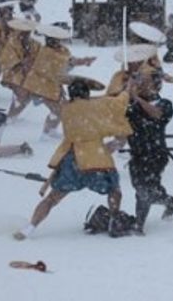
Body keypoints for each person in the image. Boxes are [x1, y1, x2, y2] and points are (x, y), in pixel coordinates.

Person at [13, 76, 132, 240]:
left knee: (52, 198)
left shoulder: (66, 108)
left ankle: (30, 227)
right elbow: (119, 103)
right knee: (114, 190)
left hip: (72, 159)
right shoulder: (98, 106)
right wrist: (127, 89)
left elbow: (81, 103)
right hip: (96, 159)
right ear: (87, 94)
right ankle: (113, 218)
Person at [124, 72, 173, 234]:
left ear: (156, 86)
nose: (140, 85)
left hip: (156, 154)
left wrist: (137, 98)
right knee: (145, 188)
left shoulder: (164, 103)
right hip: (137, 154)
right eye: (139, 82)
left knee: (143, 189)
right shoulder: (131, 105)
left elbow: (156, 113)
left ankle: (139, 225)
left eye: (144, 82)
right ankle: (170, 201)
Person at [20, 23, 95, 137]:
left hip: (52, 85)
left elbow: (68, 60)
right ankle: (46, 134)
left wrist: (82, 61)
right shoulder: (46, 52)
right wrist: (82, 61)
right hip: (40, 85)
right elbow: (65, 62)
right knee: (58, 111)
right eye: (54, 40)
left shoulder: (61, 50)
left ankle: (50, 131)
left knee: (61, 109)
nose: (57, 42)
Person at [0, 19, 41, 118]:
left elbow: (40, 56)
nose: (26, 34)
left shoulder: (35, 43)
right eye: (24, 32)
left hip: (29, 73)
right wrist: (21, 62)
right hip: (14, 73)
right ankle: (10, 116)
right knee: (21, 95)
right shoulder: (12, 43)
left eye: (28, 32)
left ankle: (12, 115)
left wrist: (33, 61)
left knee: (26, 97)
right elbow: (6, 59)